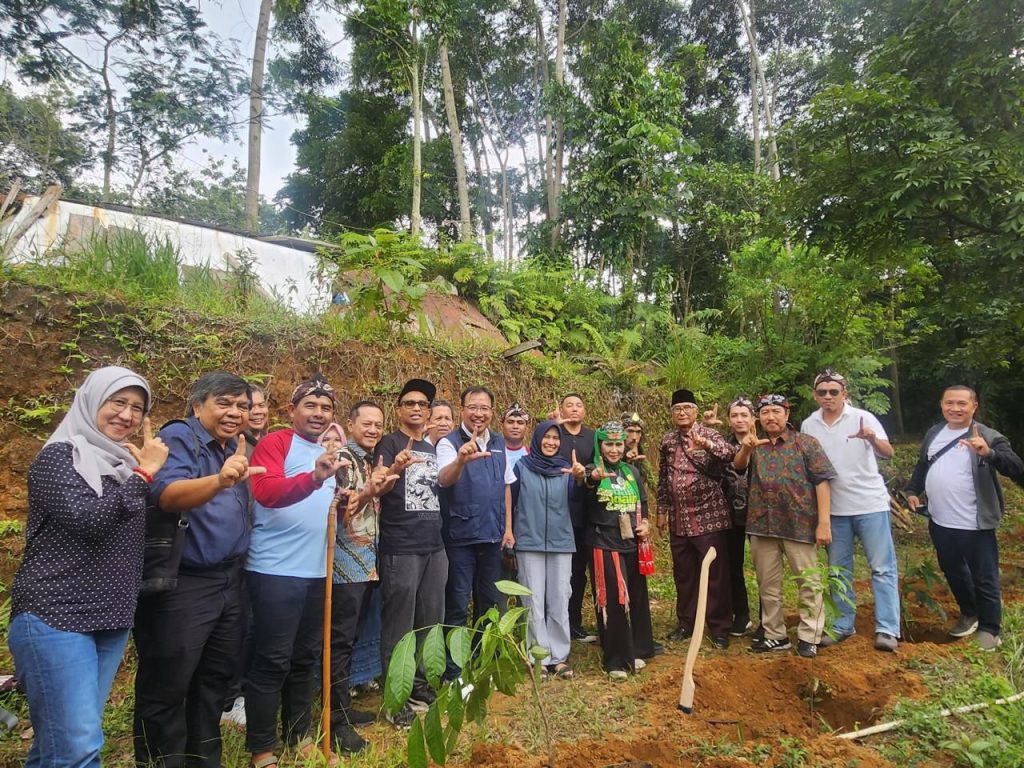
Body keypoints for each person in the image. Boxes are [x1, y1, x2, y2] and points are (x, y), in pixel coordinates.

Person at [8, 367, 167, 768]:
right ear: (90, 400)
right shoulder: (58, 457)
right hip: (55, 616)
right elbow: (88, 520)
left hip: (108, 618)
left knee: (57, 747)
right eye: (117, 403)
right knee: (78, 749)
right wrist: (144, 474)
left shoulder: (120, 465)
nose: (127, 416)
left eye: (137, 408)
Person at [134, 372, 258, 768]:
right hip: (185, 584)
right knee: (168, 684)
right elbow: (166, 496)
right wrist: (221, 481)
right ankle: (161, 761)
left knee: (213, 682)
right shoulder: (180, 438)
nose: (234, 412)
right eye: (224, 403)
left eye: (242, 406)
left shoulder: (232, 447)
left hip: (230, 580)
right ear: (197, 406)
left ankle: (205, 760)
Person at [244, 374, 350, 767]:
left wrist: (341, 497)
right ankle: (263, 749)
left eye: (325, 408)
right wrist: (314, 478)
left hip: (316, 571)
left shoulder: (330, 450)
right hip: (274, 569)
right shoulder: (276, 443)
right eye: (310, 405)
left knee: (306, 657)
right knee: (273, 658)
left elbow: (323, 504)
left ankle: (299, 735)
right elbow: (266, 492)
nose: (318, 413)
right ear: (292, 410)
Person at [905, 385, 1024, 651]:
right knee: (953, 570)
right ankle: (969, 613)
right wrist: (913, 490)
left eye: (961, 404)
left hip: (975, 523)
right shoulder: (934, 433)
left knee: (985, 576)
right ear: (941, 404)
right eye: (949, 403)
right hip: (940, 521)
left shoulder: (989, 436)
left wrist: (989, 454)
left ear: (974, 407)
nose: (955, 409)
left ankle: (990, 629)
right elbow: (924, 464)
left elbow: (1017, 467)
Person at [801, 369, 901, 652]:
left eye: (834, 391)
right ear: (815, 395)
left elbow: (888, 452)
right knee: (838, 570)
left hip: (870, 504)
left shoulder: (863, 418)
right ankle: (843, 624)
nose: (828, 397)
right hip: (833, 510)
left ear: (845, 393)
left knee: (882, 567)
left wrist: (871, 439)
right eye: (823, 392)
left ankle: (887, 628)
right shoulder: (810, 425)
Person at [734, 394, 836, 658]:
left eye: (776, 411)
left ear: (787, 415)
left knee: (808, 581)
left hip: (798, 524)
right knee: (767, 584)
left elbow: (823, 481)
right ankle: (774, 634)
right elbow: (738, 467)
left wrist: (824, 523)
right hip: (761, 525)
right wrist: (747, 447)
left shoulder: (805, 443)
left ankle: (810, 634)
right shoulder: (756, 445)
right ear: (759, 418)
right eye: (765, 412)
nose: (770, 416)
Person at [375, 378, 447, 729]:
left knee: (429, 620)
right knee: (398, 627)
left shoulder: (432, 448)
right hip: (400, 547)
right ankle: (395, 698)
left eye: (422, 404)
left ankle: (418, 685)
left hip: (434, 545)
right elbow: (379, 485)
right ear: (399, 409)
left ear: (429, 412)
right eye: (409, 403)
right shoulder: (387, 443)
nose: (416, 408)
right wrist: (394, 469)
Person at [437, 386, 517, 673]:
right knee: (458, 604)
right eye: (473, 407)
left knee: (489, 603)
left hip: (493, 536)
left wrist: (508, 527)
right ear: (462, 409)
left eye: (484, 408)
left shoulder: (498, 442)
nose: (478, 413)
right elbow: (444, 479)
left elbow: (506, 485)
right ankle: (454, 669)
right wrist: (460, 459)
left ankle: (485, 662)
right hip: (460, 537)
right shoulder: (448, 443)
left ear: (492, 412)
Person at [327, 401, 391, 750]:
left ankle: (343, 709)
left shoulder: (369, 459)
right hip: (345, 565)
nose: (372, 429)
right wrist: (372, 489)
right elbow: (346, 507)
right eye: (366, 423)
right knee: (339, 641)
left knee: (348, 639)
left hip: (367, 562)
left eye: (378, 424)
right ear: (350, 424)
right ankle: (334, 722)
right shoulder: (343, 460)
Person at [656, 389, 736, 648]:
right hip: (679, 519)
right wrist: (661, 510)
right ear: (671, 413)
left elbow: (730, 453)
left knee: (714, 574)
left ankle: (719, 627)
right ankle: (686, 623)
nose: (682, 413)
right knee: (684, 574)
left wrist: (707, 445)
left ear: (696, 412)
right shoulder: (668, 440)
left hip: (708, 517)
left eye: (687, 408)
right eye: (677, 409)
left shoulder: (710, 434)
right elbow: (663, 477)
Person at [582, 421, 656, 679]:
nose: (614, 450)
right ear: (599, 446)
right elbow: (585, 482)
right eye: (608, 444)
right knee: (614, 599)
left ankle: (637, 648)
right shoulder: (594, 469)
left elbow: (643, 503)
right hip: (605, 542)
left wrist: (645, 523)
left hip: (631, 542)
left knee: (636, 596)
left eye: (618, 444)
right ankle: (616, 660)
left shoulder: (631, 472)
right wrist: (592, 478)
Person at [511, 420, 584, 679]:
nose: (551, 442)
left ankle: (559, 657)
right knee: (533, 601)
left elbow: (577, 501)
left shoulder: (567, 470)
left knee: (559, 598)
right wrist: (511, 533)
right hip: (529, 542)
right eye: (547, 437)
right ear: (538, 439)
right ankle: (538, 657)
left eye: (556, 438)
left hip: (561, 542)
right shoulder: (521, 467)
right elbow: (510, 502)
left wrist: (580, 478)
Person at [554, 393, 598, 642]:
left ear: (584, 410)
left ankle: (575, 623)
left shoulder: (593, 437)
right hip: (556, 511)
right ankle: (556, 622)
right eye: (568, 405)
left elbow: (598, 466)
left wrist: (585, 473)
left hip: (584, 512)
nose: (574, 409)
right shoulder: (554, 434)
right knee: (558, 571)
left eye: (578, 405)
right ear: (562, 409)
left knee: (578, 571)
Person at [719, 396, 759, 638]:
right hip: (730, 515)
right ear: (729, 420)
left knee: (765, 569)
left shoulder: (764, 444)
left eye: (744, 415)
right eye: (735, 415)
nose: (739, 419)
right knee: (733, 567)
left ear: (753, 418)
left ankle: (768, 620)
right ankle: (740, 615)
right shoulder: (723, 446)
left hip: (760, 517)